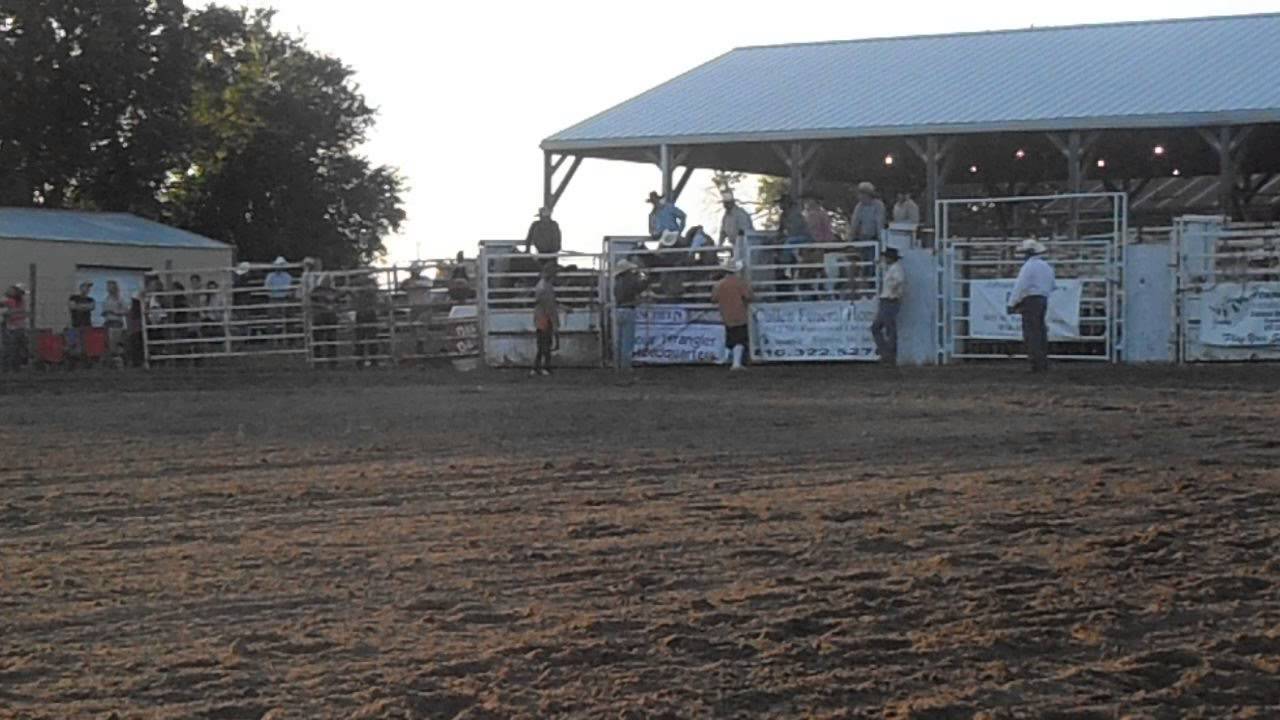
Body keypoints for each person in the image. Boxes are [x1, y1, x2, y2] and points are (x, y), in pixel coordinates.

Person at [1008, 239, 1056, 374]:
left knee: (1031, 332)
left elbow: (1020, 286)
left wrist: (1012, 303)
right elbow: (1052, 285)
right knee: (1040, 331)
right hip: (1042, 299)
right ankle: (1043, 361)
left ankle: (1036, 363)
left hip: (1030, 300)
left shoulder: (1028, 267)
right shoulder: (1047, 266)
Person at [711, 260, 753, 372]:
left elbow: (713, 299)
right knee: (739, 338)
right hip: (739, 313)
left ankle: (725, 359)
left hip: (725, 313)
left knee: (730, 336)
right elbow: (748, 296)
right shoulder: (740, 283)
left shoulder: (719, 284)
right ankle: (736, 363)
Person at [872, 247, 906, 366]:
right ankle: (887, 354)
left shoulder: (896, 269)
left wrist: (892, 291)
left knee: (884, 328)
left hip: (889, 300)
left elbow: (899, 280)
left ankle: (888, 354)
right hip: (889, 300)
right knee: (885, 327)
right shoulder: (894, 268)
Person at [612, 259, 648, 371]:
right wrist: (643, 275)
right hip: (628, 310)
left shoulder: (617, 282)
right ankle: (626, 365)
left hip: (618, 310)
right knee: (627, 341)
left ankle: (617, 364)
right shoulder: (630, 280)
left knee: (619, 340)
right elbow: (641, 286)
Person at [531, 263, 559, 377]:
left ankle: (538, 367)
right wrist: (554, 321)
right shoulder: (545, 287)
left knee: (543, 344)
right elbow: (549, 306)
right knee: (545, 343)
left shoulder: (542, 285)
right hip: (544, 318)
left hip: (541, 317)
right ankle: (544, 367)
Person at [719, 190, 754, 261]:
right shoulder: (725, 217)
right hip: (735, 245)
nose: (726, 205)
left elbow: (745, 231)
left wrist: (739, 245)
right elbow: (723, 232)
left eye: (727, 203)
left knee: (743, 265)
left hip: (745, 245)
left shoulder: (740, 214)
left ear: (732, 203)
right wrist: (720, 245)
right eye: (725, 203)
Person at [2, 284, 29, 372]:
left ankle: (14, 367)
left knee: (15, 349)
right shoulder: (11, 301)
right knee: (12, 349)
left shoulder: (17, 301)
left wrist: (9, 313)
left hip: (16, 328)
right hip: (14, 328)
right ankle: (11, 367)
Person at [67, 282, 96, 363]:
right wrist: (84, 307)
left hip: (87, 325)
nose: (87, 289)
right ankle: (74, 361)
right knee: (74, 344)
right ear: (81, 288)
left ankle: (85, 361)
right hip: (75, 325)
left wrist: (78, 306)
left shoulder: (90, 299)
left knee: (86, 345)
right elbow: (72, 306)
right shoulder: (73, 298)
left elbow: (92, 306)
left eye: (88, 288)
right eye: (86, 287)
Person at [101, 280, 129, 364]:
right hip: (107, 322)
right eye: (108, 286)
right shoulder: (106, 299)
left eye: (110, 286)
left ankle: (120, 359)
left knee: (115, 342)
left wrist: (115, 312)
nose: (109, 288)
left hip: (116, 322)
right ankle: (112, 360)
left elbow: (126, 311)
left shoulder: (120, 299)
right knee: (109, 343)